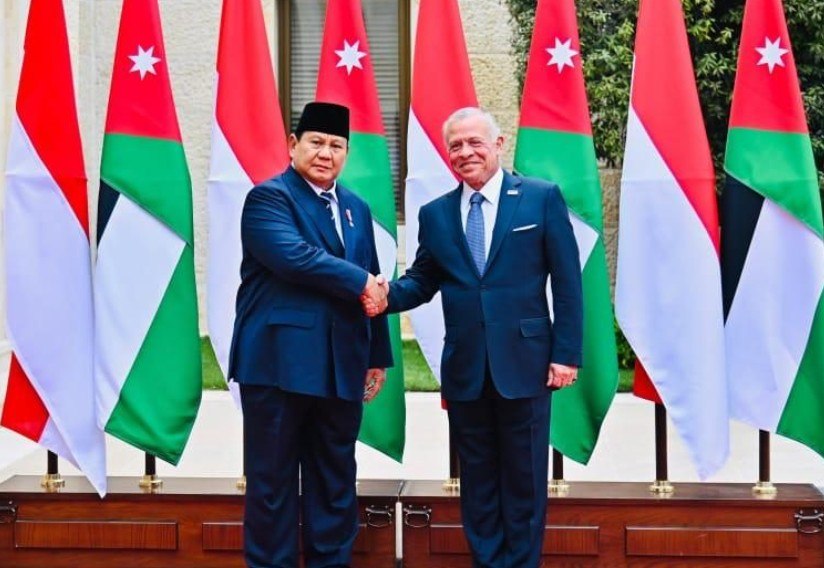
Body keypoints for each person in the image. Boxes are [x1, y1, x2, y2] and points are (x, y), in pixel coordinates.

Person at [367, 107, 582, 567]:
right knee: (479, 484)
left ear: (498, 144)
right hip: (466, 370)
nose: (465, 153)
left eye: (474, 143)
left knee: (524, 482)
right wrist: (383, 294)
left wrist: (566, 354)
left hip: (526, 365)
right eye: (456, 146)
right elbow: (422, 281)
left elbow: (567, 283)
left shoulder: (541, 198)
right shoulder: (437, 214)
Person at [228, 101, 393, 568]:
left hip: (342, 366)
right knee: (273, 486)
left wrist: (376, 352)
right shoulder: (268, 198)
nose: (326, 153)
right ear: (293, 145)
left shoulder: (357, 207)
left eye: (337, 145)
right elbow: (294, 256)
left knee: (335, 482)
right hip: (279, 365)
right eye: (316, 142)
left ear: (346, 153)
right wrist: (361, 281)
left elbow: (373, 277)